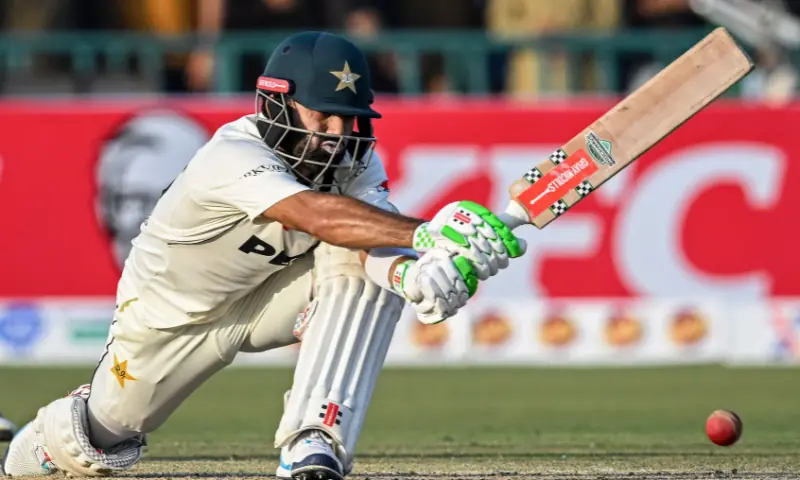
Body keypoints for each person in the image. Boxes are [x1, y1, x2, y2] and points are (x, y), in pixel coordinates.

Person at [2, 31, 526, 480]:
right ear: (277, 105)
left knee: (362, 267)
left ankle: (314, 438)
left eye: (348, 120)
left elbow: (368, 242)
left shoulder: (353, 160)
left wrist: (412, 275)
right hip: (168, 321)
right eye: (323, 117)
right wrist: (430, 234)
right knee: (99, 438)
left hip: (264, 302)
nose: (337, 136)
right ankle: (30, 449)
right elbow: (314, 215)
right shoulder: (233, 154)